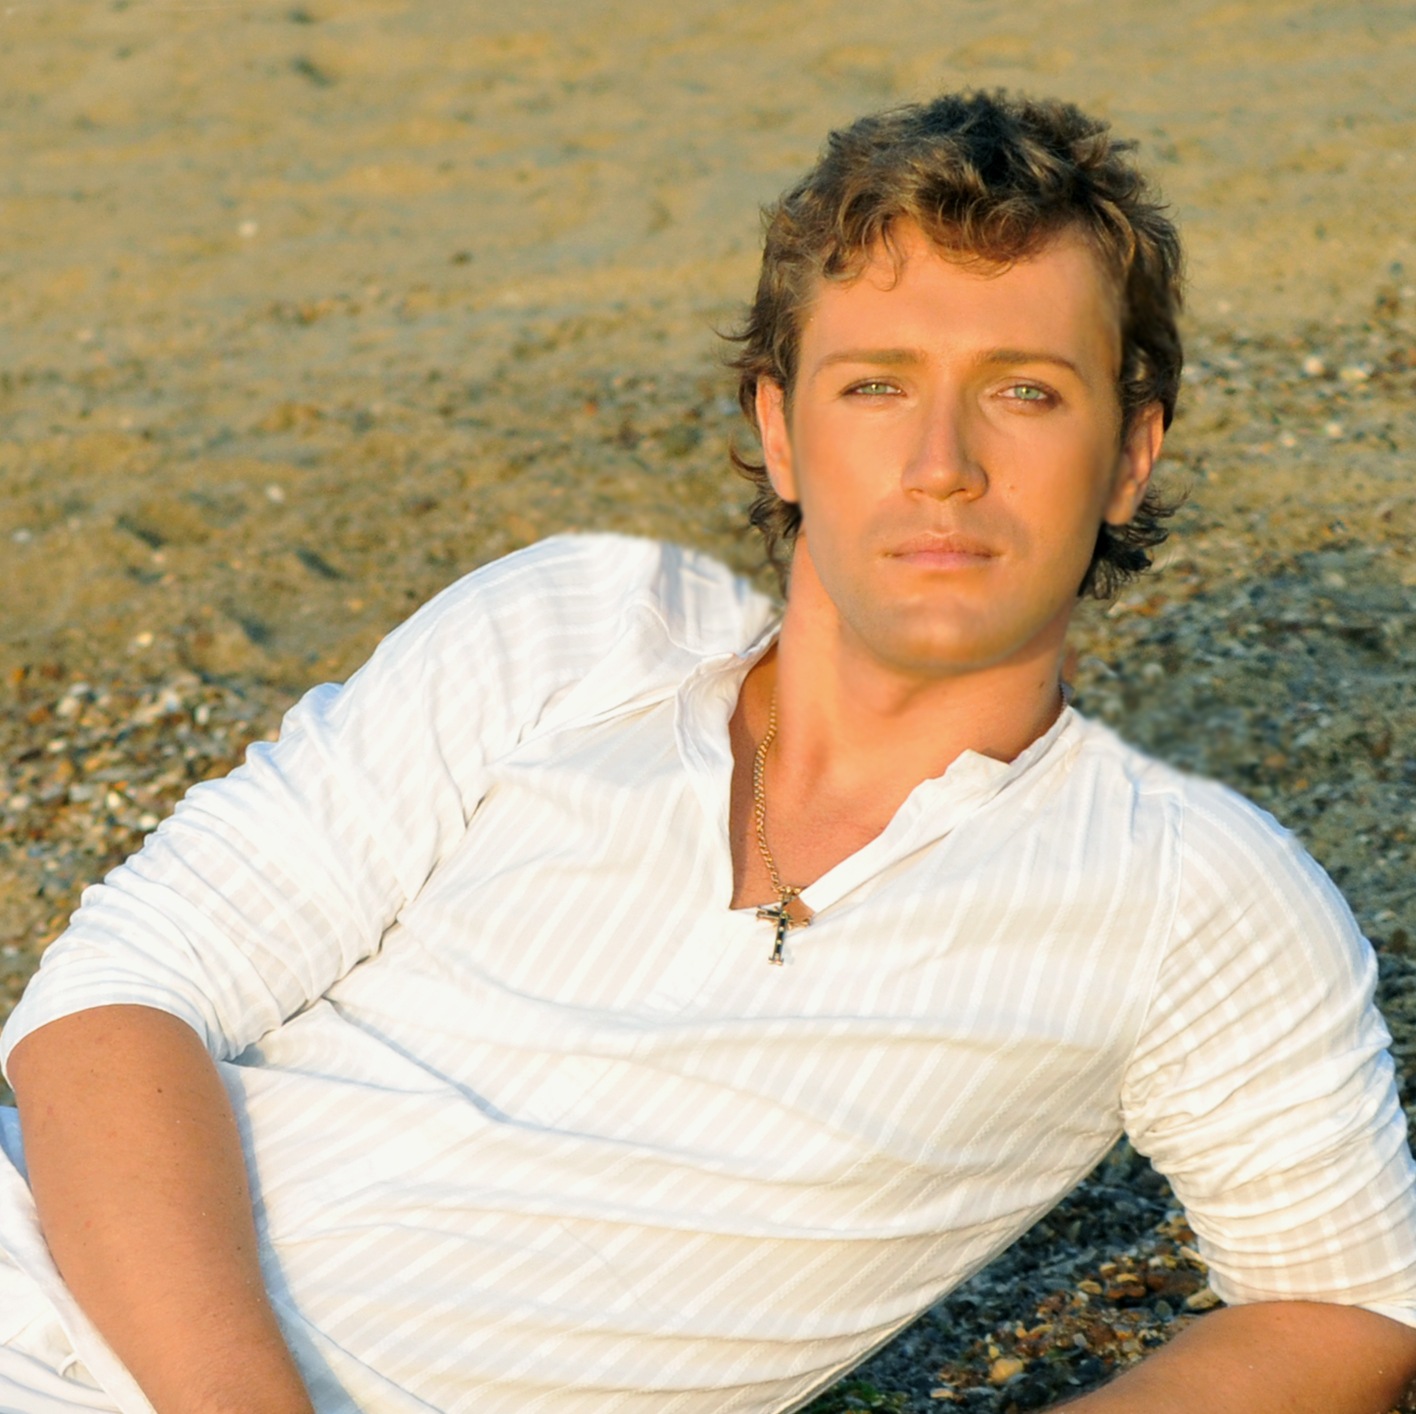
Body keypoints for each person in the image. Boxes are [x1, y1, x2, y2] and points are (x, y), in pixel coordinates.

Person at [1, 90, 1414, 1414]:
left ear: (1129, 455)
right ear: (779, 433)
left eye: (1025, 390)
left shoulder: (1189, 894)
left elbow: (1350, 1307)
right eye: (876, 386)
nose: (942, 463)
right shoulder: (575, 630)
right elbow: (116, 997)